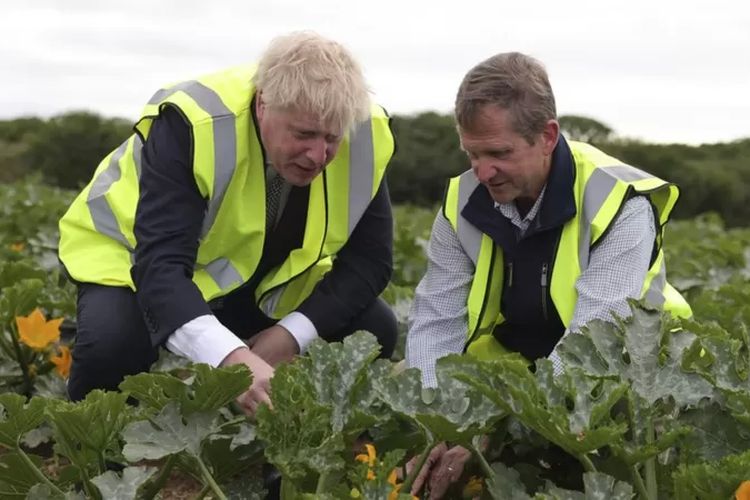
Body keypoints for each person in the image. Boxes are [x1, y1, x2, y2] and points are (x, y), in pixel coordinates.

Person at [58, 31, 398, 416]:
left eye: (332, 139)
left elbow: (370, 262)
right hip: (135, 264)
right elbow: (160, 265)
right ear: (263, 105)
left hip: (248, 282)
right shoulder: (193, 123)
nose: (319, 155)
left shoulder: (367, 134)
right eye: (304, 134)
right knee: (111, 346)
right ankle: (97, 456)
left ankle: (292, 443)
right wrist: (232, 357)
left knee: (375, 328)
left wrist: (289, 337)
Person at [404, 52, 692, 497]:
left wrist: (485, 431)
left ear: (547, 136)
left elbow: (592, 346)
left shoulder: (619, 203)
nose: (482, 172)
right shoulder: (462, 199)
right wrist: (436, 428)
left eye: (499, 153)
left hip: (626, 376)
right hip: (517, 373)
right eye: (472, 153)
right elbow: (436, 322)